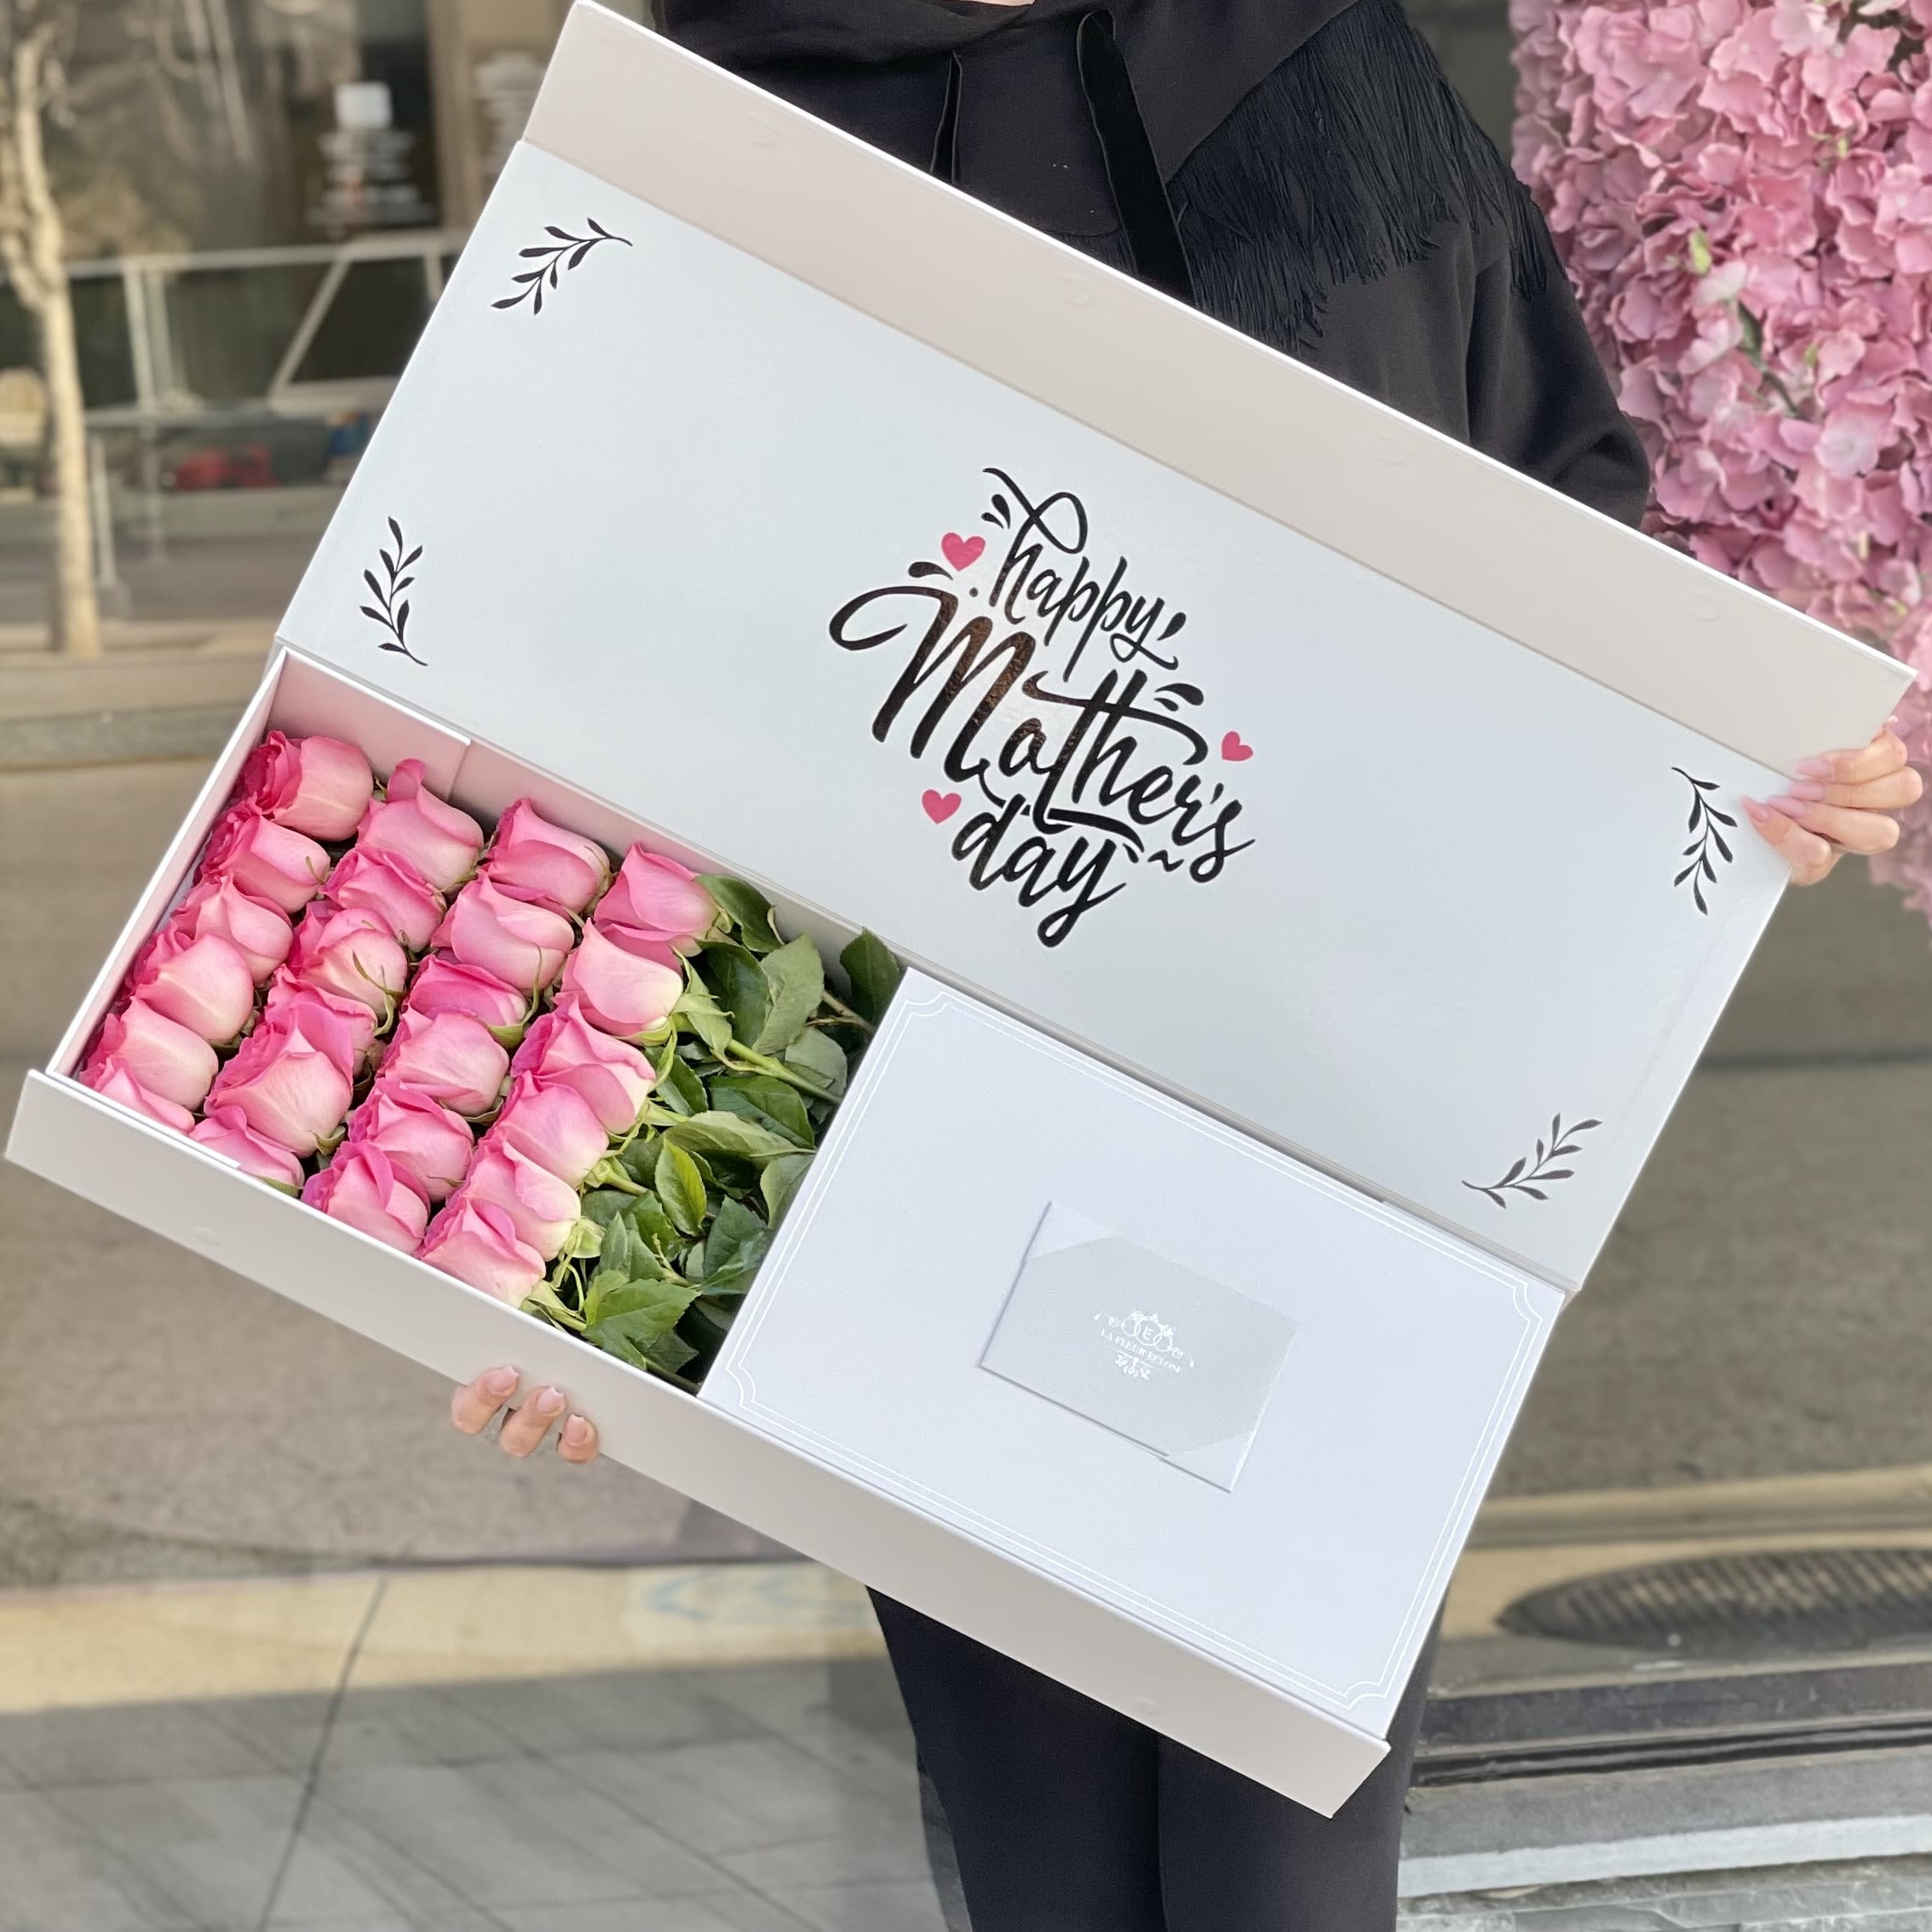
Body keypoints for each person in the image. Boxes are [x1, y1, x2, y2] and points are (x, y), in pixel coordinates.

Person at [451, 1, 1924, 1925]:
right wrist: (547, 1247)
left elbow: (1563, 536)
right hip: (894, 1141)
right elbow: (591, 684)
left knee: (1284, 1867)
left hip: (1324, 1143)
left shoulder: (1319, 70)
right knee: (1041, 1853)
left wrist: (1738, 778)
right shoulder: (721, 128)